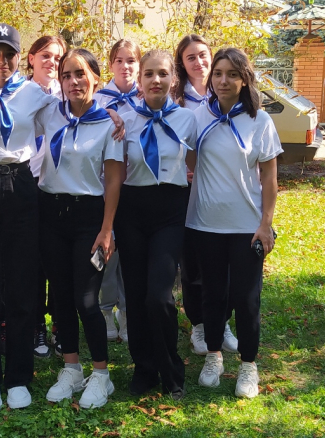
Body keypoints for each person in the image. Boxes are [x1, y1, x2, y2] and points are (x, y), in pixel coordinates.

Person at [0, 23, 124, 411]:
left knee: (23, 284)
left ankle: (19, 376)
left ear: (20, 58)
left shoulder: (36, 96)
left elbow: (79, 108)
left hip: (22, 187)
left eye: (9, 54)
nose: (2, 61)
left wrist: (112, 115)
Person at [187, 47, 282, 398]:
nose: (223, 80)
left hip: (246, 226)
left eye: (232, 74)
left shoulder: (260, 121)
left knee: (246, 297)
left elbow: (269, 178)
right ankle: (214, 356)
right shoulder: (197, 116)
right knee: (212, 294)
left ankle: (248, 365)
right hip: (205, 224)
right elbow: (187, 158)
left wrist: (265, 224)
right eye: (218, 73)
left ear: (244, 80)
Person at [39, 48, 123, 409]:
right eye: (66, 75)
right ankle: (71, 368)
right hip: (50, 213)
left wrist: (107, 229)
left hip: (89, 216)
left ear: (96, 79)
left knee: (86, 299)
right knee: (60, 297)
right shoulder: (49, 113)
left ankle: (101, 375)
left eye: (80, 74)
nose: (73, 82)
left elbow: (114, 180)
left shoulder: (109, 124)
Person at [113, 49, 197, 401]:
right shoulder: (123, 119)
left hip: (170, 211)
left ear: (173, 78)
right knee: (135, 295)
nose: (156, 80)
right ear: (140, 79)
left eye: (163, 73)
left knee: (159, 297)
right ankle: (144, 368)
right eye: (149, 74)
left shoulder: (187, 119)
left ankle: (171, 369)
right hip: (132, 211)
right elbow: (115, 170)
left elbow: (197, 162)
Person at [173, 34, 238, 356]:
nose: (198, 62)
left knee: (225, 263)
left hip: (223, 191)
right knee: (194, 262)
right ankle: (199, 323)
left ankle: (221, 322)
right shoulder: (176, 99)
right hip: (188, 193)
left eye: (202, 55)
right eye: (191, 57)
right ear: (182, 65)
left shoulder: (226, 94)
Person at [94, 39, 143, 343]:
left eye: (131, 61)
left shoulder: (147, 98)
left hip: (136, 187)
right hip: (105, 186)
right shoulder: (99, 99)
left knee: (130, 254)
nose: (125, 66)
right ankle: (104, 308)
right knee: (107, 252)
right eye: (119, 60)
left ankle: (126, 311)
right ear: (110, 64)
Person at [26, 35, 67, 358]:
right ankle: (36, 323)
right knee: (33, 261)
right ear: (31, 58)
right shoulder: (18, 93)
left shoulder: (66, 96)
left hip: (58, 187)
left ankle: (61, 325)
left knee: (59, 260)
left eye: (57, 57)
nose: (51, 62)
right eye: (45, 55)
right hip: (26, 185)